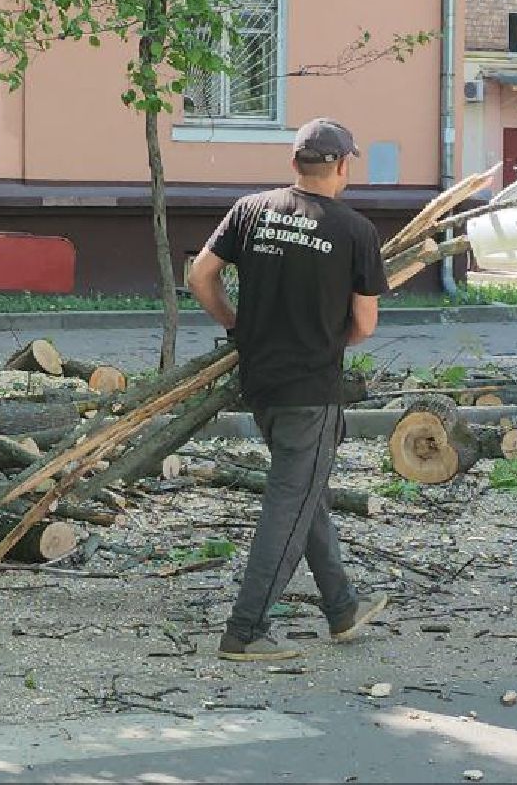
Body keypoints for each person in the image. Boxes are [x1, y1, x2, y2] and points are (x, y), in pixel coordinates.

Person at [186, 118, 391, 663]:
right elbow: (365, 325)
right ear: (343, 165)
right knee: (289, 503)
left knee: (305, 494)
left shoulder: (251, 210)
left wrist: (235, 324)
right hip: (311, 388)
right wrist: (327, 341)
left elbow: (200, 275)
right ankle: (245, 630)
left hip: (261, 382)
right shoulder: (355, 231)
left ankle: (342, 608)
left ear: (295, 163)